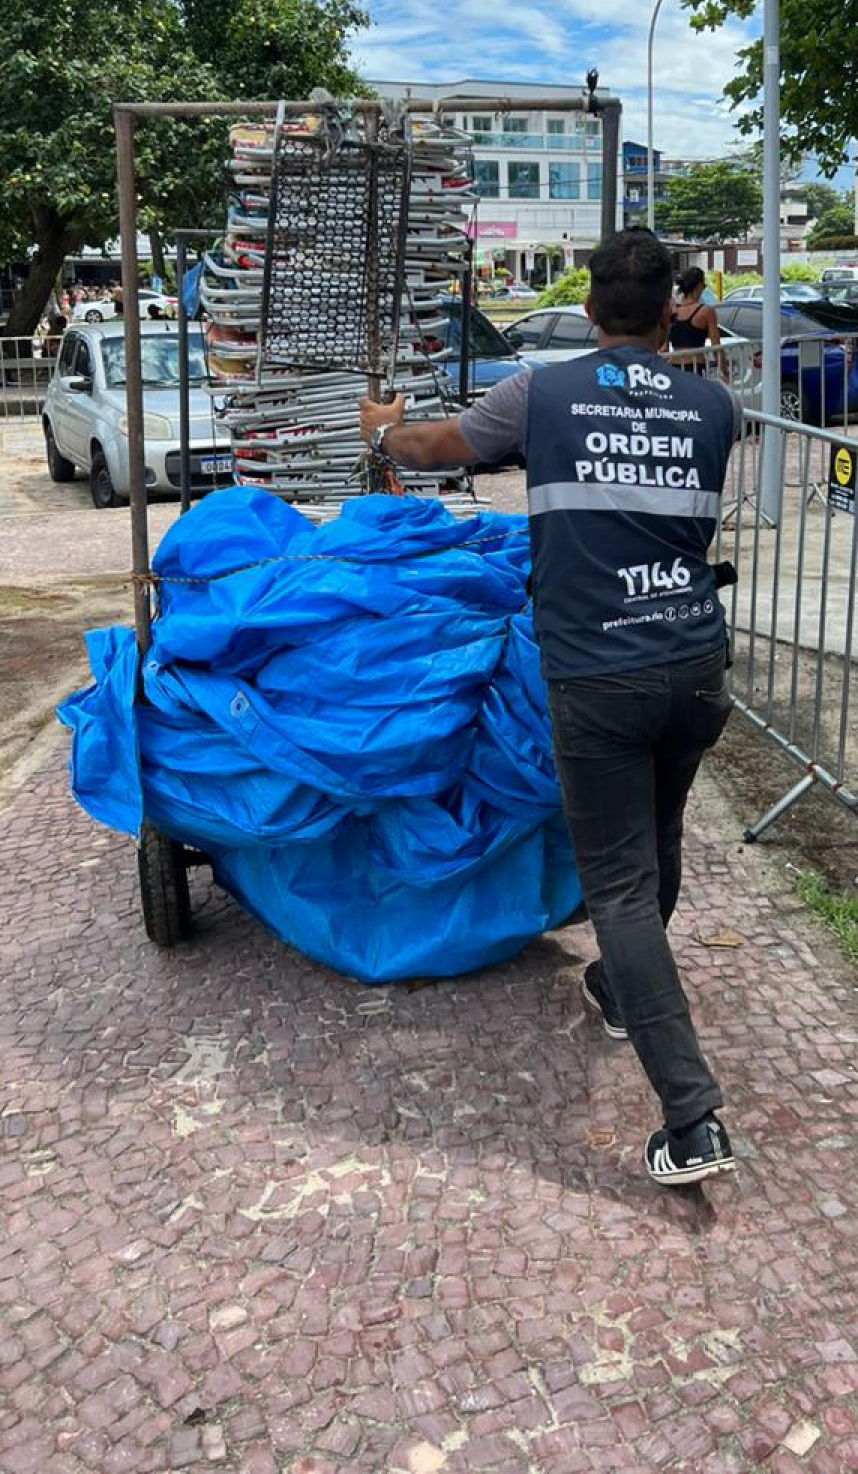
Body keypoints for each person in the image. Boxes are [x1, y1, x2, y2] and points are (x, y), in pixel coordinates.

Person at [359, 229, 741, 1188]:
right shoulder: (715, 406)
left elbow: (440, 447)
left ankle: (692, 1118)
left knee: (617, 887)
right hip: (695, 661)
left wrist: (380, 429)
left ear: (586, 311)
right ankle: (620, 985)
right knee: (658, 839)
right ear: (668, 310)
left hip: (597, 670)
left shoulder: (543, 392)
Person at [666, 267, 725, 377]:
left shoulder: (672, 311)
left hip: (673, 366)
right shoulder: (706, 312)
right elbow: (716, 345)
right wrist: (724, 371)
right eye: (704, 286)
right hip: (695, 366)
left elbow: (664, 346)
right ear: (698, 286)